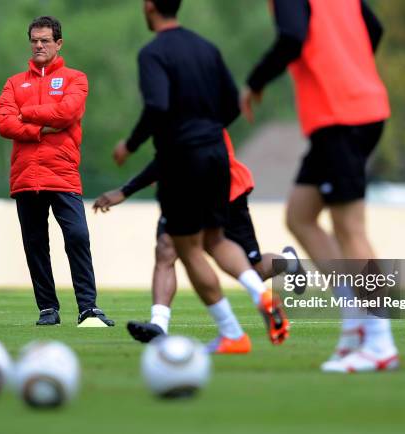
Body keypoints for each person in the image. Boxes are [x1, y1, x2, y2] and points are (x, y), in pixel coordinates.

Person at [111, 0, 290, 353]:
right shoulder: (205, 47)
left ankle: (232, 334)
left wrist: (130, 145)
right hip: (216, 155)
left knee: (187, 248)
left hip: (182, 158)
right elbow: (230, 103)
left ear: (149, 7)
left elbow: (157, 106)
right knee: (215, 240)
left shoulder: (153, 53)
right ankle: (261, 294)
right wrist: (207, 128)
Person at [241, 0, 398, 372]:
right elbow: (373, 28)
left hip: (341, 116)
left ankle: (379, 341)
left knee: (350, 228)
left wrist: (255, 80)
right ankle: (356, 323)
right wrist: (351, 69)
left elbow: (293, 38)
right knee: (301, 214)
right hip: (355, 110)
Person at [94, 130, 303, 343]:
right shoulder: (177, 106)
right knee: (166, 250)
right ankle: (159, 323)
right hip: (184, 189)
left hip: (224, 189)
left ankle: (286, 264)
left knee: (252, 268)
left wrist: (126, 187)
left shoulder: (189, 109)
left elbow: (170, 151)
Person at [0, 16, 113, 327]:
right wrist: (42, 127)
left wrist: (25, 114)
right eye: (34, 40)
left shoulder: (76, 78)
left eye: (45, 40)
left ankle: (88, 307)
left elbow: (68, 112)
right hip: (26, 176)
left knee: (77, 236)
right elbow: (3, 122)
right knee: (35, 244)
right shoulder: (13, 82)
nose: (39, 45)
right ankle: (48, 308)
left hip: (62, 173)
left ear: (58, 43)